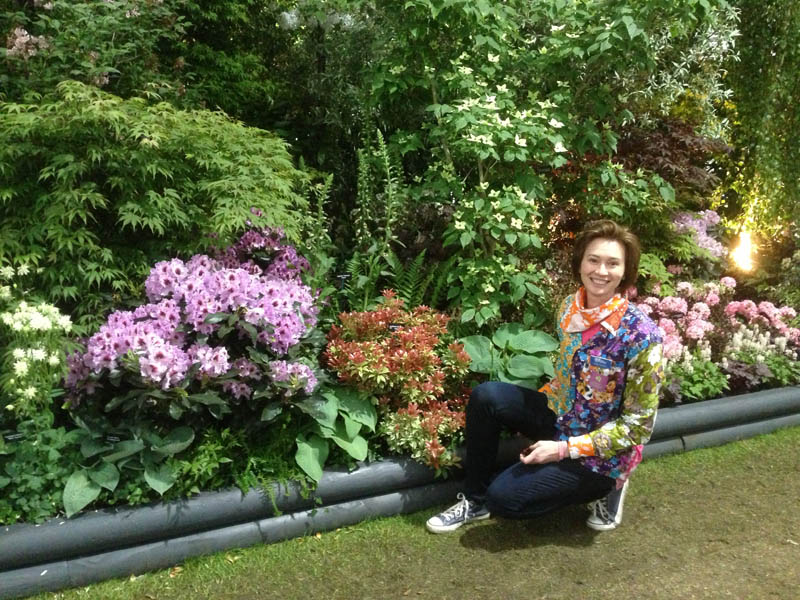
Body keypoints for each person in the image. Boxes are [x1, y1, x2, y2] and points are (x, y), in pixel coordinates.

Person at [426, 219, 664, 533]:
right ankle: (475, 501)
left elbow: (639, 428)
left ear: (625, 271)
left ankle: (610, 487)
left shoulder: (642, 336)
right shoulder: (569, 308)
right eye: (593, 260)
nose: (601, 271)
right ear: (580, 262)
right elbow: (566, 376)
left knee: (506, 500)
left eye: (612, 263)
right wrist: (535, 420)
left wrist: (564, 450)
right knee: (488, 397)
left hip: (601, 453)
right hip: (563, 418)